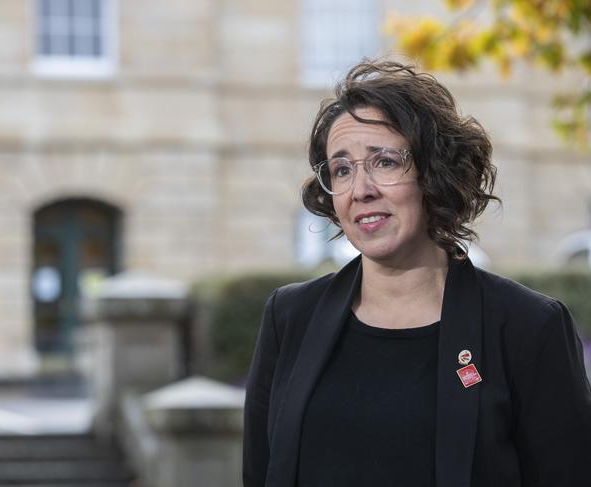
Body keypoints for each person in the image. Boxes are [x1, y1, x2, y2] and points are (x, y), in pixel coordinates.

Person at [242, 60, 591, 487]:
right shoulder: (289, 317)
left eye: (385, 162)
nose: (361, 189)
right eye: (342, 169)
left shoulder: (528, 326)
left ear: (433, 171)